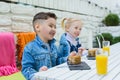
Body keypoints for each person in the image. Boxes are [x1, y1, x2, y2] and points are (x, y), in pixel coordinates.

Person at [22, 12, 59, 80]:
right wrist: (37, 75)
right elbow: (26, 69)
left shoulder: (54, 46)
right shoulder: (29, 48)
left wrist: (68, 59)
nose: (54, 29)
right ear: (37, 27)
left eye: (55, 27)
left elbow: (58, 62)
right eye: (50, 26)